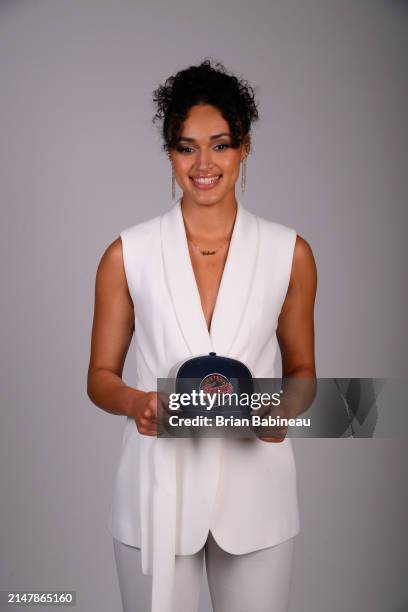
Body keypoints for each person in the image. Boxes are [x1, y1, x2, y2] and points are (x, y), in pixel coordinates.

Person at [87, 58, 317, 612]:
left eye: (220, 144)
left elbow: (304, 372)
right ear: (170, 151)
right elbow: (99, 378)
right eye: (186, 146)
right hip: (155, 493)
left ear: (245, 146)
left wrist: (282, 412)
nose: (203, 164)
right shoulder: (127, 254)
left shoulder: (290, 253)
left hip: (257, 493)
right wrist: (138, 402)